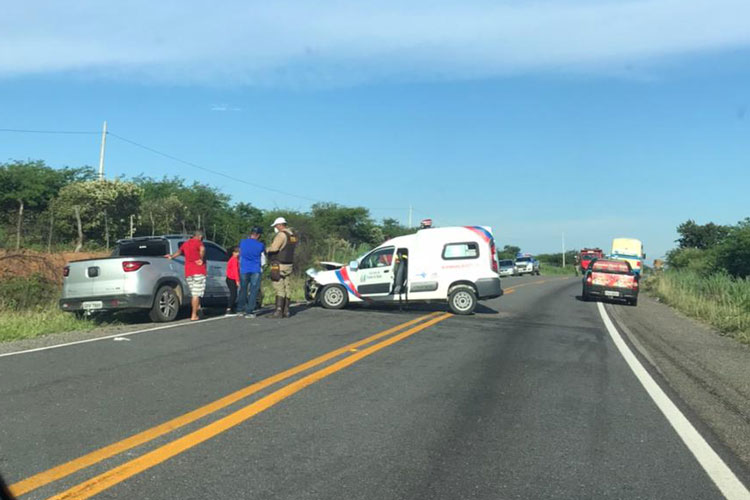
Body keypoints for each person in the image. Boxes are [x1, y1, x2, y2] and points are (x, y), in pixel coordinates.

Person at [166, 230, 206, 321]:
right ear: (199, 236)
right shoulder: (198, 242)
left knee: (194, 293)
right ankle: (194, 315)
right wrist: (201, 259)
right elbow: (202, 249)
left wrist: (171, 256)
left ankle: (199, 311)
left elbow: (179, 252)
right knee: (196, 294)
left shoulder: (186, 243)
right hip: (198, 271)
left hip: (188, 272)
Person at [266, 216, 297, 318]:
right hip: (289, 264)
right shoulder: (292, 235)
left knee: (278, 286)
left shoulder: (281, 235)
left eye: (276, 225)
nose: (275, 227)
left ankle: (278, 311)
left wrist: (267, 249)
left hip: (279, 264)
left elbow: (275, 248)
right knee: (287, 286)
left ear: (280, 225)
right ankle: (286, 310)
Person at [238, 227, 265, 318]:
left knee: (243, 289)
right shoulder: (260, 245)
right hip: (255, 268)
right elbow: (262, 255)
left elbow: (241, 253)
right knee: (253, 290)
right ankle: (249, 311)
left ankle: (240, 308)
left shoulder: (242, 242)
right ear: (258, 235)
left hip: (244, 268)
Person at [225, 246, 240, 315]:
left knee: (233, 294)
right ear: (233, 253)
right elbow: (235, 270)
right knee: (233, 294)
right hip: (231, 278)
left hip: (230, 278)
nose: (238, 254)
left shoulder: (233, 259)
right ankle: (229, 308)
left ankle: (232, 308)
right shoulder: (234, 260)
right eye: (237, 252)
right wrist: (237, 280)